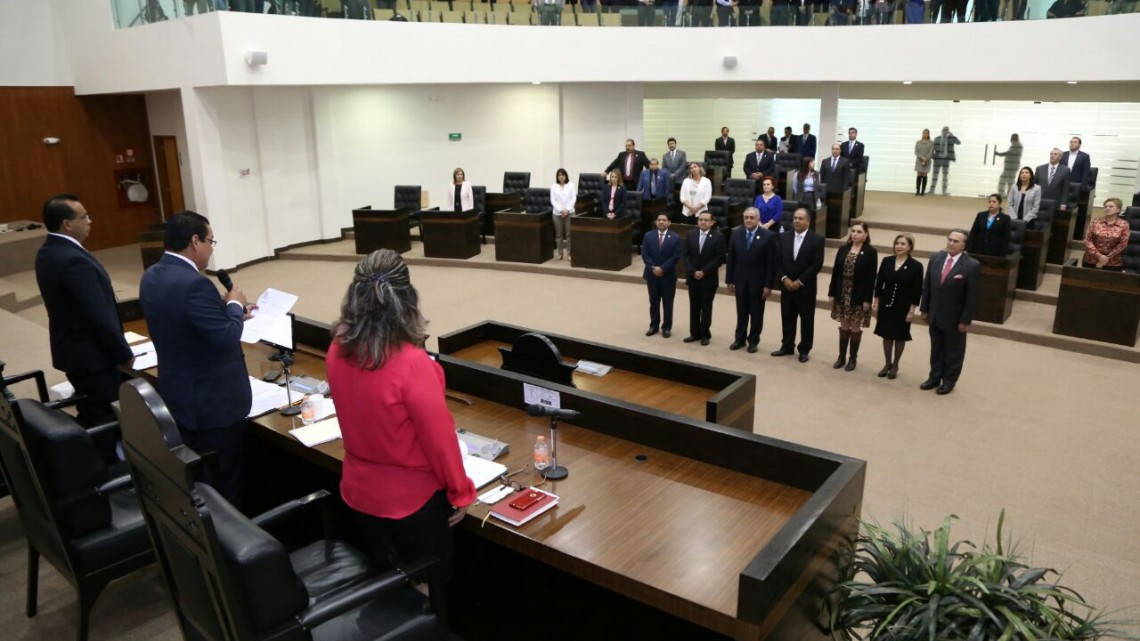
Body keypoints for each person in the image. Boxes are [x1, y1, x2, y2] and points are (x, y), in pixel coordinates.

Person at [325, 249, 475, 574]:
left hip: (360, 493)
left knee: (387, 576)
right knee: (424, 590)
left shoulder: (337, 349)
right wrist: (461, 491)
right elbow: (440, 443)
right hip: (412, 504)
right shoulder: (413, 365)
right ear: (408, 299)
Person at [139, 211, 252, 504]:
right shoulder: (195, 284)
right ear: (195, 241)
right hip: (214, 405)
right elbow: (226, 337)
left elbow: (189, 323)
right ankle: (232, 543)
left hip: (179, 395)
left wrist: (228, 311)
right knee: (225, 487)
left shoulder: (151, 275)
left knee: (201, 480)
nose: (212, 248)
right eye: (211, 241)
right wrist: (236, 307)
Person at [34, 195, 133, 455]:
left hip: (73, 350)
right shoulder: (72, 260)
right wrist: (123, 353)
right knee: (105, 415)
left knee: (91, 409)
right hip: (93, 357)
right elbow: (97, 315)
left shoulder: (48, 251)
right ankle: (111, 473)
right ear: (67, 224)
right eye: (84, 216)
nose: (90, 221)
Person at [920, 229, 981, 396]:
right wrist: (924, 308)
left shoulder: (971, 265)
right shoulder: (936, 258)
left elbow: (972, 297)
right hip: (935, 314)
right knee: (936, 348)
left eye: (956, 241)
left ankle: (949, 381)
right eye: (950, 240)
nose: (951, 243)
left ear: (964, 245)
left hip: (955, 319)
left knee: (953, 352)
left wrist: (965, 321)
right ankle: (934, 378)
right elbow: (928, 287)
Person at [771, 208, 824, 362]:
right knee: (787, 317)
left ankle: (804, 349)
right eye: (795, 218)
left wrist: (800, 281)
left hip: (805, 287)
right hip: (786, 286)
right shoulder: (783, 237)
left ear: (808, 221)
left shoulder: (817, 239)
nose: (797, 221)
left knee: (806, 320)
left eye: (800, 218)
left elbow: (817, 264)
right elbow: (777, 261)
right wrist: (785, 279)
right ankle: (787, 346)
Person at [827, 220, 878, 372]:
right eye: (853, 231)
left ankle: (852, 358)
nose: (855, 234)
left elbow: (871, 278)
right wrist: (831, 293)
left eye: (859, 232)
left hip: (859, 295)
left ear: (866, 235)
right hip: (842, 293)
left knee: (855, 326)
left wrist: (868, 299)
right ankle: (841, 356)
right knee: (844, 325)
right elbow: (835, 272)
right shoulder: (843, 249)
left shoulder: (870, 252)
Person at [872, 233, 923, 380]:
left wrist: (912, 311)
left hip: (903, 307)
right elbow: (879, 283)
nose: (899, 246)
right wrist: (876, 303)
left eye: (903, 244)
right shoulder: (887, 261)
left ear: (910, 247)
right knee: (887, 334)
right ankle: (887, 363)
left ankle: (895, 365)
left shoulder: (916, 266)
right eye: (897, 243)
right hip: (886, 304)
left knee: (900, 336)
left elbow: (917, 290)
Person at [726, 207, 776, 353]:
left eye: (752, 218)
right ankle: (739, 339)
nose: (748, 220)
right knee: (741, 313)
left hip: (758, 283)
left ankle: (753, 341)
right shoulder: (736, 233)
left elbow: (770, 263)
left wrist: (768, 285)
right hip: (740, 280)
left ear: (758, 219)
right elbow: (731, 259)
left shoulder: (768, 236)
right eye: (746, 217)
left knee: (756, 314)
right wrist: (729, 280)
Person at [682, 211, 725, 346]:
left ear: (712, 223)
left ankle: (705, 334)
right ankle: (694, 333)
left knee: (706, 307)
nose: (703, 222)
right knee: (694, 306)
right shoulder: (691, 234)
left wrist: (704, 271)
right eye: (701, 220)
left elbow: (719, 258)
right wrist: (693, 271)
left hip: (709, 278)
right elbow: (685, 256)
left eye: (706, 220)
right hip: (693, 277)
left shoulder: (718, 236)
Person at [642, 213, 682, 337]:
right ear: (656, 222)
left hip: (668, 276)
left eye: (664, 220)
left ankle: (666, 327)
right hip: (652, 274)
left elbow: (676, 257)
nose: (661, 222)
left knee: (668, 303)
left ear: (669, 222)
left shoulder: (675, 237)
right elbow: (645, 254)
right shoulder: (648, 235)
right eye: (659, 220)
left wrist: (662, 268)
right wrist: (653, 268)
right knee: (653, 302)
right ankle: (654, 326)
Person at [1081, 198, 1130, 271]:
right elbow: (1087, 240)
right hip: (1091, 260)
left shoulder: (1124, 224)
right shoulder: (1096, 222)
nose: (1107, 208)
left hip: (1112, 263)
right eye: (1105, 206)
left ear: (1118, 210)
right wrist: (1099, 256)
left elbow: (1123, 244)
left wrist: (1106, 258)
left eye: (1111, 206)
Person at [1062, 136, 1093, 239]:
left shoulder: (1084, 156)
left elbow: (1086, 173)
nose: (1072, 143)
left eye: (1075, 142)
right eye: (1071, 142)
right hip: (1063, 185)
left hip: (1076, 186)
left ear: (1079, 145)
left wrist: (1083, 188)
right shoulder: (1063, 154)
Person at [550, 168, 576, 260]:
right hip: (557, 214)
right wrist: (561, 210)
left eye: (563, 175)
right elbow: (553, 200)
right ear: (557, 177)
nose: (561, 177)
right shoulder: (553, 186)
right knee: (559, 235)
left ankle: (570, 254)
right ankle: (560, 253)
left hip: (569, 213)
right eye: (559, 175)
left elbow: (573, 199)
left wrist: (567, 210)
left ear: (566, 176)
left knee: (569, 234)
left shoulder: (571, 185)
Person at [930, 126, 961, 196]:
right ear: (941, 131)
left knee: (945, 176)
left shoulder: (951, 139)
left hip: (946, 159)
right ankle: (932, 190)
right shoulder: (937, 138)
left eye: (946, 130)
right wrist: (932, 156)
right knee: (935, 175)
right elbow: (932, 148)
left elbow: (959, 142)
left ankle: (944, 191)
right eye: (944, 130)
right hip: (937, 159)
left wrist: (952, 136)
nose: (945, 131)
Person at [914, 129, 934, 196]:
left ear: (928, 134)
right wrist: (922, 158)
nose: (925, 134)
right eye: (924, 133)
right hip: (919, 161)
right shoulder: (918, 142)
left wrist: (926, 158)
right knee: (919, 174)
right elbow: (916, 152)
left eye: (926, 133)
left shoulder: (931, 143)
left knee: (924, 175)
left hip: (927, 161)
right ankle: (917, 190)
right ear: (922, 134)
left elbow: (931, 152)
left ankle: (923, 191)